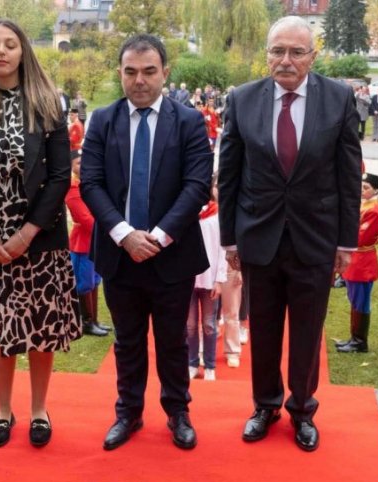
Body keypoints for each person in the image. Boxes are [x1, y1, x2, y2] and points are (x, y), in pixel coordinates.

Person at [218, 16, 361, 452]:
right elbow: (230, 175)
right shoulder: (242, 99)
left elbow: (348, 175)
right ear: (267, 54)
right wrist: (229, 239)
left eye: (296, 52)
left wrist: (346, 241)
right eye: (277, 51)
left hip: (315, 239)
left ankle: (302, 409)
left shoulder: (338, 98)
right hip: (258, 238)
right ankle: (265, 406)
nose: (286, 60)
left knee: (307, 331)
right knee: (262, 329)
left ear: (312, 57)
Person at [0, 19, 81, 449]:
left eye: (9, 44)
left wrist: (26, 233)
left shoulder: (46, 101)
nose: (1, 52)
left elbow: (59, 176)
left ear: (23, 50)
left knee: (41, 330)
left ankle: (39, 410)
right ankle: (3, 411)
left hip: (39, 241)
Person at [80, 34, 213, 451]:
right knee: (127, 340)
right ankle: (128, 412)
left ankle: (178, 412)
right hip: (120, 255)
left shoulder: (189, 121)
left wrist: (155, 237)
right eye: (131, 71)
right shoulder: (102, 120)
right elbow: (91, 183)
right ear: (120, 73)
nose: (140, 80)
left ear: (165, 73)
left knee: (173, 340)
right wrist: (124, 235)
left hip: (171, 254)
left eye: (149, 71)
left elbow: (196, 186)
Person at [335, 171, 378, 353]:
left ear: (376, 190)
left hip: (362, 262)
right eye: (361, 187)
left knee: (360, 302)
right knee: (355, 300)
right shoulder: (366, 205)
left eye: (366, 187)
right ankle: (355, 338)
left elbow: (359, 237)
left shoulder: (373, 211)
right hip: (357, 260)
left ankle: (359, 341)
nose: (362, 190)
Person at [65, 150, 109, 337]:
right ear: (70, 167)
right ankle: (86, 322)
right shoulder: (72, 188)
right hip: (83, 242)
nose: (82, 166)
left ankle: (95, 320)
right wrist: (107, 229)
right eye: (78, 163)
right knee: (85, 283)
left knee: (95, 280)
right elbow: (85, 218)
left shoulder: (88, 184)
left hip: (94, 239)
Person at [186, 177, 226, 381]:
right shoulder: (186, 213)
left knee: (209, 325)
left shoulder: (217, 214)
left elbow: (222, 248)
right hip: (188, 277)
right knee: (190, 325)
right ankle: (192, 363)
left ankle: (210, 365)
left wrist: (220, 279)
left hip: (210, 278)